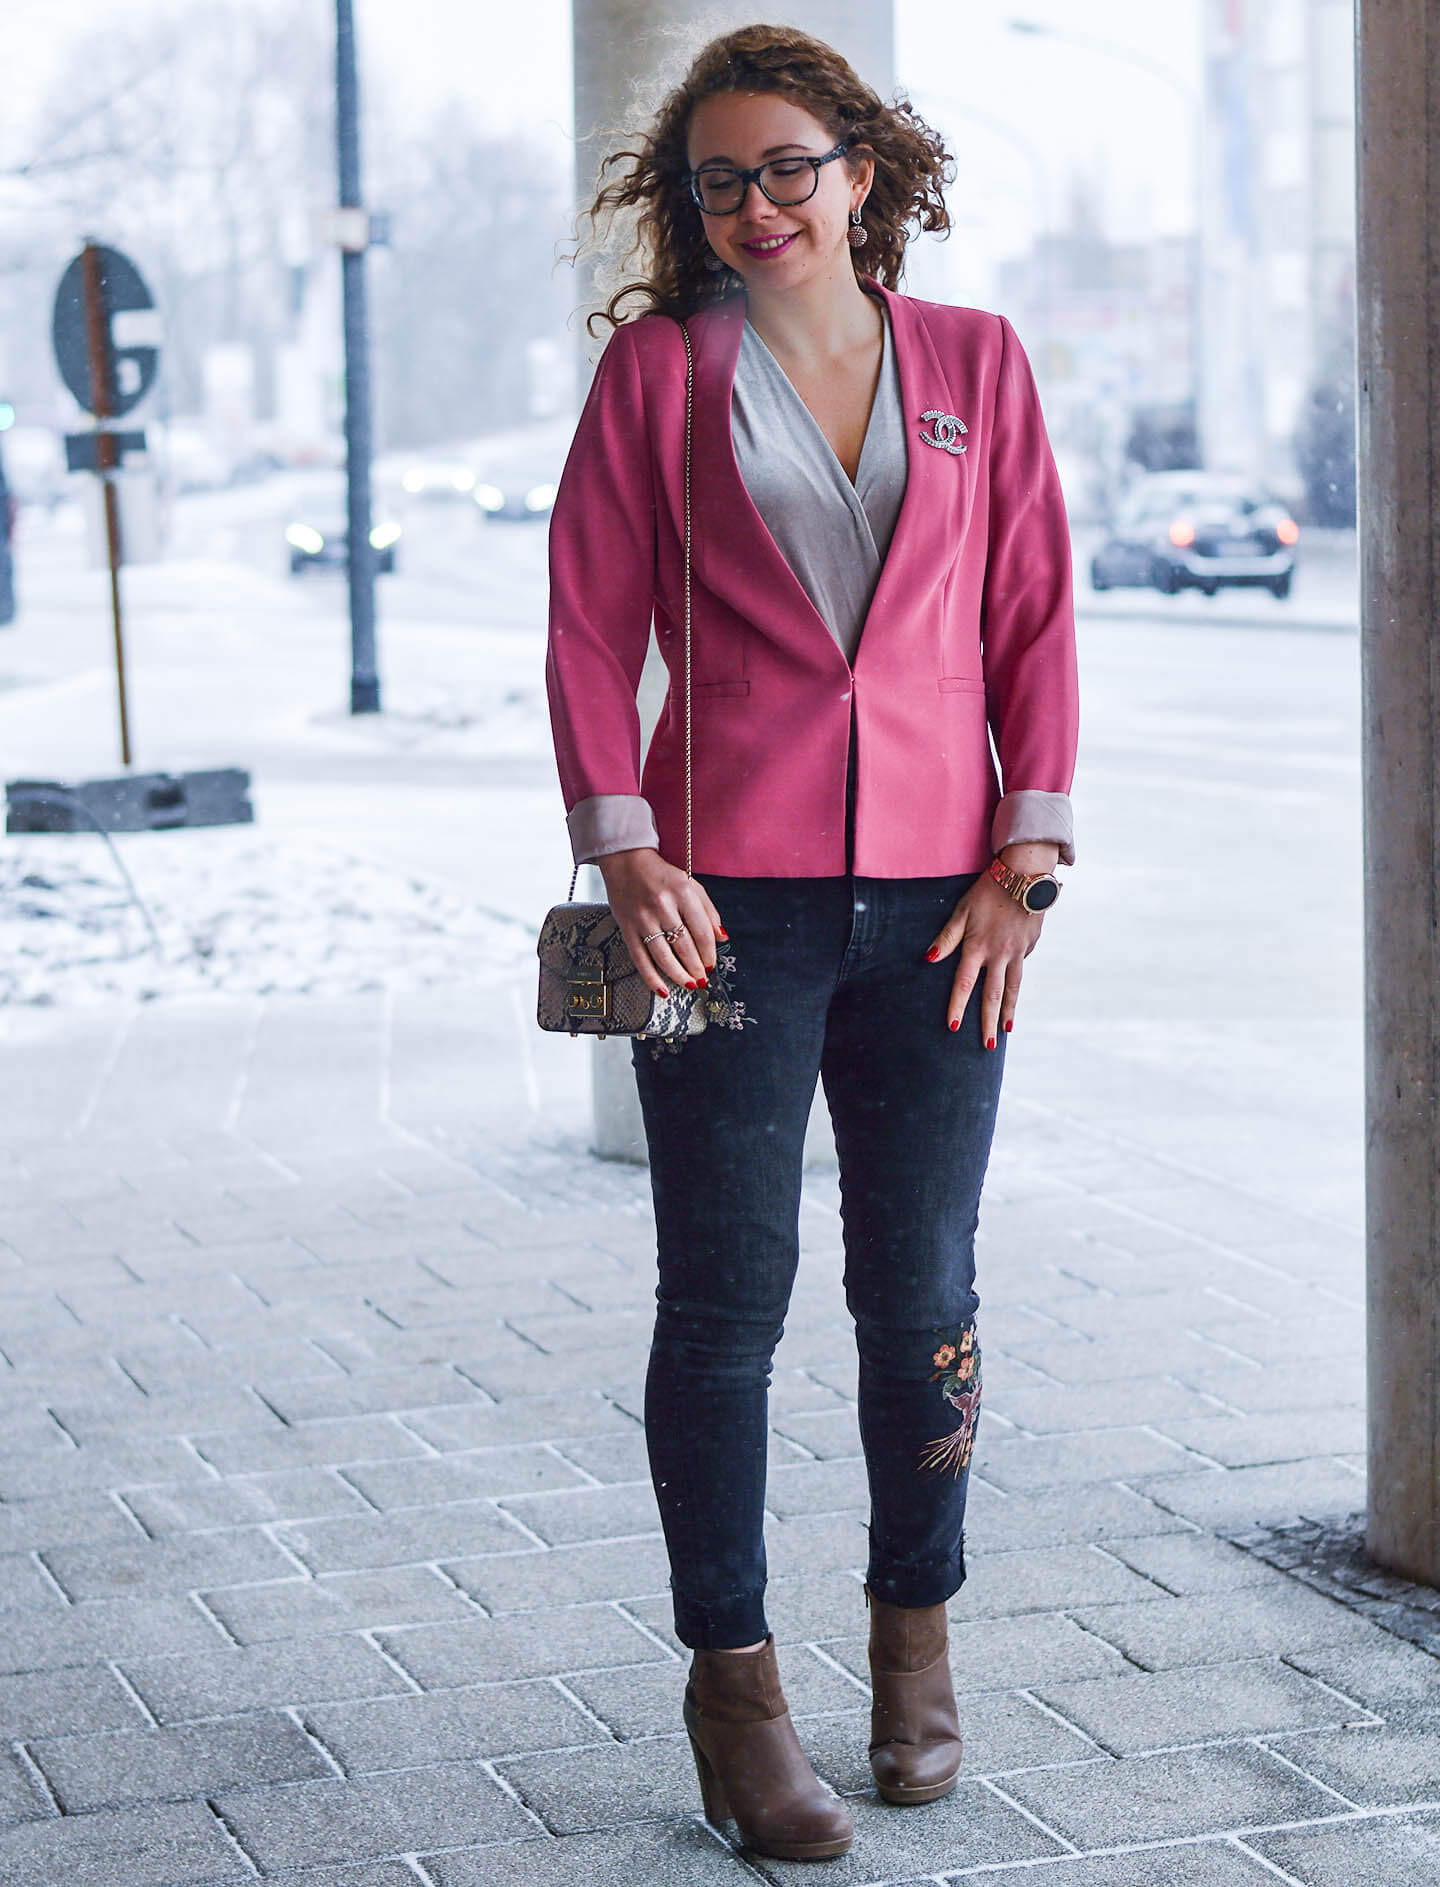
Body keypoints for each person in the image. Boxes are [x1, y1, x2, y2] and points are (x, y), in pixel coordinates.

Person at [546, 24, 1077, 1864]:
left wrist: (1030, 857)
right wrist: (624, 853)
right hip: (725, 906)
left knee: (923, 1291)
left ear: (862, 169)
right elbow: (585, 631)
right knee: (724, 1303)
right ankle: (735, 1687)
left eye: (787, 167)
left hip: (947, 910)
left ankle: (915, 1634)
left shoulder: (976, 366)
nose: (754, 205)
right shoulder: (661, 377)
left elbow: (1034, 627)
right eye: (717, 181)